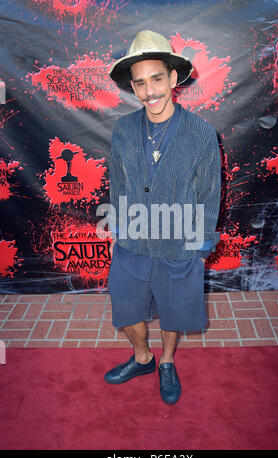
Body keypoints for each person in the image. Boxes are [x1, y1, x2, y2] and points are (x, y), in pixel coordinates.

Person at [104, 30, 221, 404]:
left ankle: (167, 361)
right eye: (140, 83)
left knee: (174, 309)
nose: (149, 90)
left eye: (157, 79)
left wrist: (199, 243)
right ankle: (142, 357)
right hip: (133, 239)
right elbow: (117, 181)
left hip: (178, 241)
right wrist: (120, 227)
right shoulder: (122, 130)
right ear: (133, 88)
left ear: (173, 79)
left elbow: (209, 193)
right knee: (124, 306)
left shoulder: (202, 134)